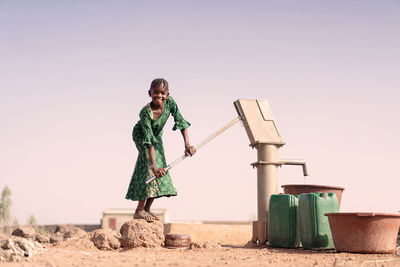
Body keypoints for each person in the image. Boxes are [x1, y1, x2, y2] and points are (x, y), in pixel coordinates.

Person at [125, 78, 196, 221]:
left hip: (157, 136)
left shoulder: (170, 103)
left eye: (162, 93)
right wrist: (154, 166)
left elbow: (180, 121)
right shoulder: (145, 112)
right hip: (142, 136)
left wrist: (187, 145)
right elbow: (149, 139)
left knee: (161, 168)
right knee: (150, 167)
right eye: (155, 92)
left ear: (167, 94)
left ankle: (146, 209)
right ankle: (139, 210)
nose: (159, 96)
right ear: (149, 93)